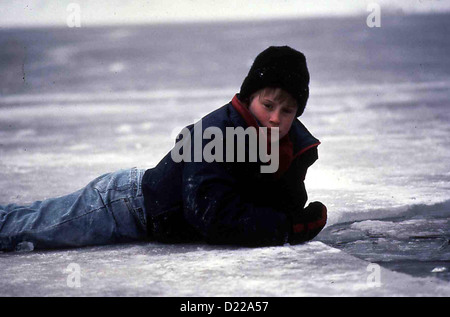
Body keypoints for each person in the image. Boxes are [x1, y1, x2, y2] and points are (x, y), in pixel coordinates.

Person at [0, 46, 327, 252]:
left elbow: (281, 202)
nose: (274, 118)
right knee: (30, 227)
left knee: (31, 216)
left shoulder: (289, 146)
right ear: (248, 97)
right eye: (267, 104)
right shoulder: (214, 135)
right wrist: (286, 229)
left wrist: (289, 217)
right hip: (126, 205)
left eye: (286, 111)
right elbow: (211, 216)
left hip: (151, 210)